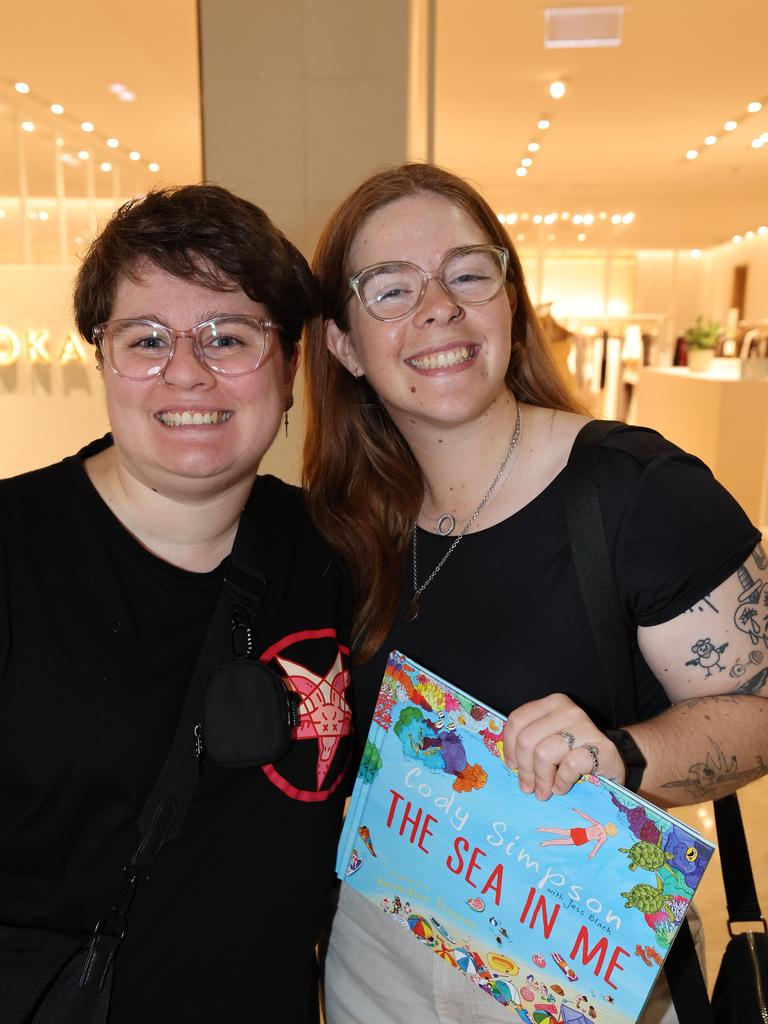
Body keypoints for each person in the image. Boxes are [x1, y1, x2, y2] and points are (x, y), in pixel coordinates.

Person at [301, 162, 767, 1023]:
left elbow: (761, 707)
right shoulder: (343, 522)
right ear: (341, 344)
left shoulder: (638, 491)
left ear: (509, 303)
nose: (438, 306)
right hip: (379, 967)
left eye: (468, 274)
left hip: (581, 972)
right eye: (390, 289)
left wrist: (623, 756)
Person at [0, 185, 353, 1023]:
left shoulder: (336, 555)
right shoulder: (14, 553)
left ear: (291, 367)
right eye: (146, 339)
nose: (187, 372)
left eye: (229, 336)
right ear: (101, 360)